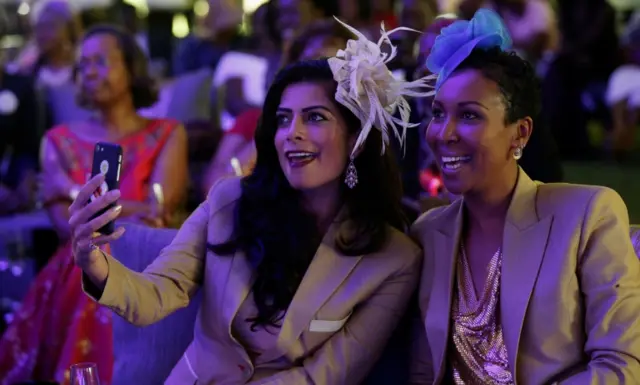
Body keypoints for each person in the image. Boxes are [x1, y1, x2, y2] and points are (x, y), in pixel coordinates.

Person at [70, 19, 433, 384]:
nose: (293, 133)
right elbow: (158, 293)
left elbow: (325, 376)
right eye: (283, 119)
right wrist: (95, 263)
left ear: (358, 138)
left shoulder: (394, 259)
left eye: (315, 118)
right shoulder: (230, 199)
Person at [410, 10, 640, 384]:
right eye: (438, 113)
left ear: (520, 133)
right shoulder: (428, 234)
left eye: (469, 116)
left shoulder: (587, 215)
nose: (444, 133)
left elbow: (620, 367)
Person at [0, 25, 188, 385]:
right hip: (76, 267)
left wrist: (75, 191)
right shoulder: (57, 140)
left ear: (131, 68)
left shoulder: (167, 133)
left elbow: (161, 211)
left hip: (148, 260)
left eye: (100, 62)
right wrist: (133, 206)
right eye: (82, 64)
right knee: (88, 262)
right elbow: (68, 226)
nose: (88, 72)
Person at [202, 19, 355, 194]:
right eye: (312, 66)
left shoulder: (367, 125)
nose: (321, 81)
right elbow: (212, 189)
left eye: (334, 67)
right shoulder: (254, 120)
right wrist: (268, 132)